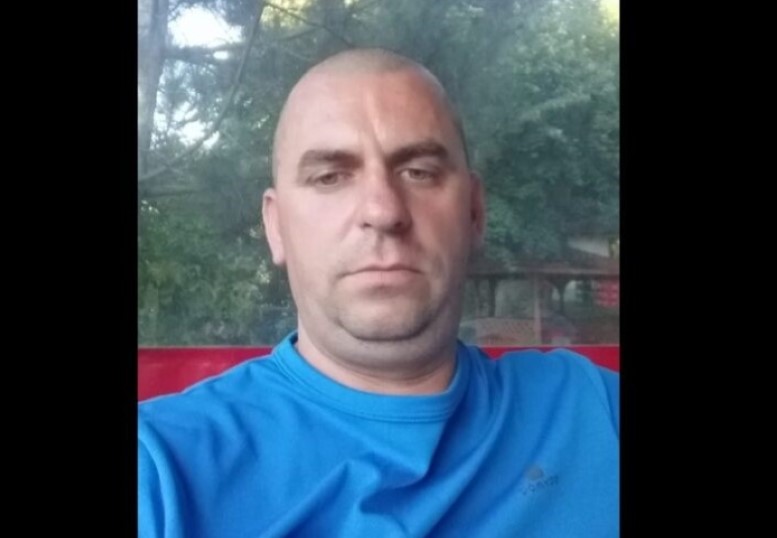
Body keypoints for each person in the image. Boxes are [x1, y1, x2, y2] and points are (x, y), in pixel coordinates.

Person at [138, 48, 619, 538]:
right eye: (330, 177)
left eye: (419, 172)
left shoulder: (594, 412)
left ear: (474, 212)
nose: (383, 211)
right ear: (276, 226)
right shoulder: (159, 474)